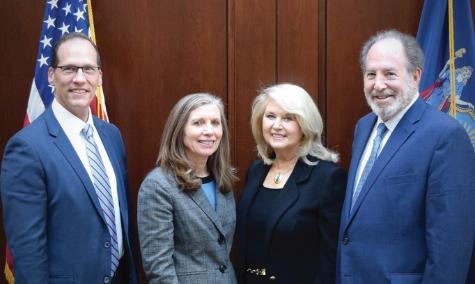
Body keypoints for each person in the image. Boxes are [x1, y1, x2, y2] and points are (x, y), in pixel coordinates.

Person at [337, 29, 475, 283]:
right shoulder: (364, 127)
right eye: (370, 74)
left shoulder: (445, 135)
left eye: (390, 73)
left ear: (415, 76)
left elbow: (451, 246)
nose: (378, 85)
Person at [0, 32, 137, 283]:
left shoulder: (111, 136)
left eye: (88, 69)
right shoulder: (26, 148)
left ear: (99, 77)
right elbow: (28, 252)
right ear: (51, 75)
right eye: (69, 69)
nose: (79, 79)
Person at [235, 83, 347, 283]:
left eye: (288, 118)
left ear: (305, 126)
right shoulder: (256, 171)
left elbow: (331, 259)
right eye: (270, 116)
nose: (277, 125)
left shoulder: (327, 178)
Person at [137, 93, 238, 283]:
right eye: (198, 123)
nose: (209, 131)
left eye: (215, 123)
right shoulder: (158, 185)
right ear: (179, 130)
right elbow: (159, 270)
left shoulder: (222, 181)